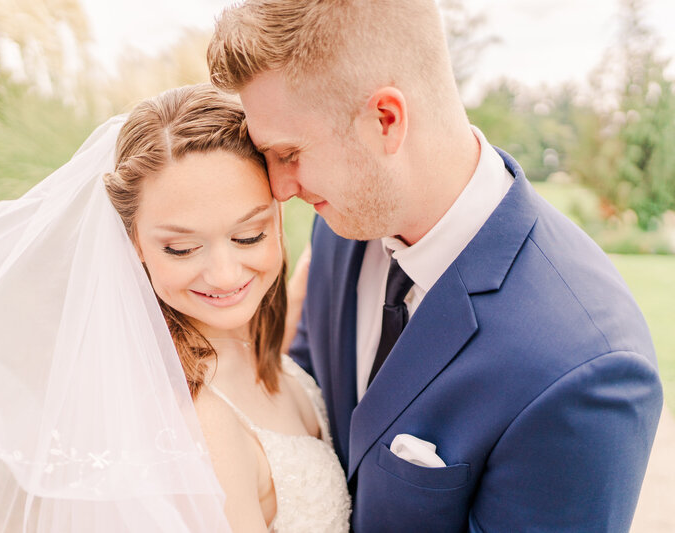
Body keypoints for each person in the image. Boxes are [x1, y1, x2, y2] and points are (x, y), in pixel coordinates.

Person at [207, 1, 664, 531]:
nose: (281, 188)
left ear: (385, 120)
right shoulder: (338, 229)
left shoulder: (585, 366)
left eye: (289, 154)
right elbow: (312, 413)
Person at [0, 84, 349, 532]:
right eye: (182, 249)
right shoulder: (200, 429)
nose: (226, 274)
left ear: (279, 210)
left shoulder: (251, 348)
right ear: (133, 243)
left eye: (249, 235)